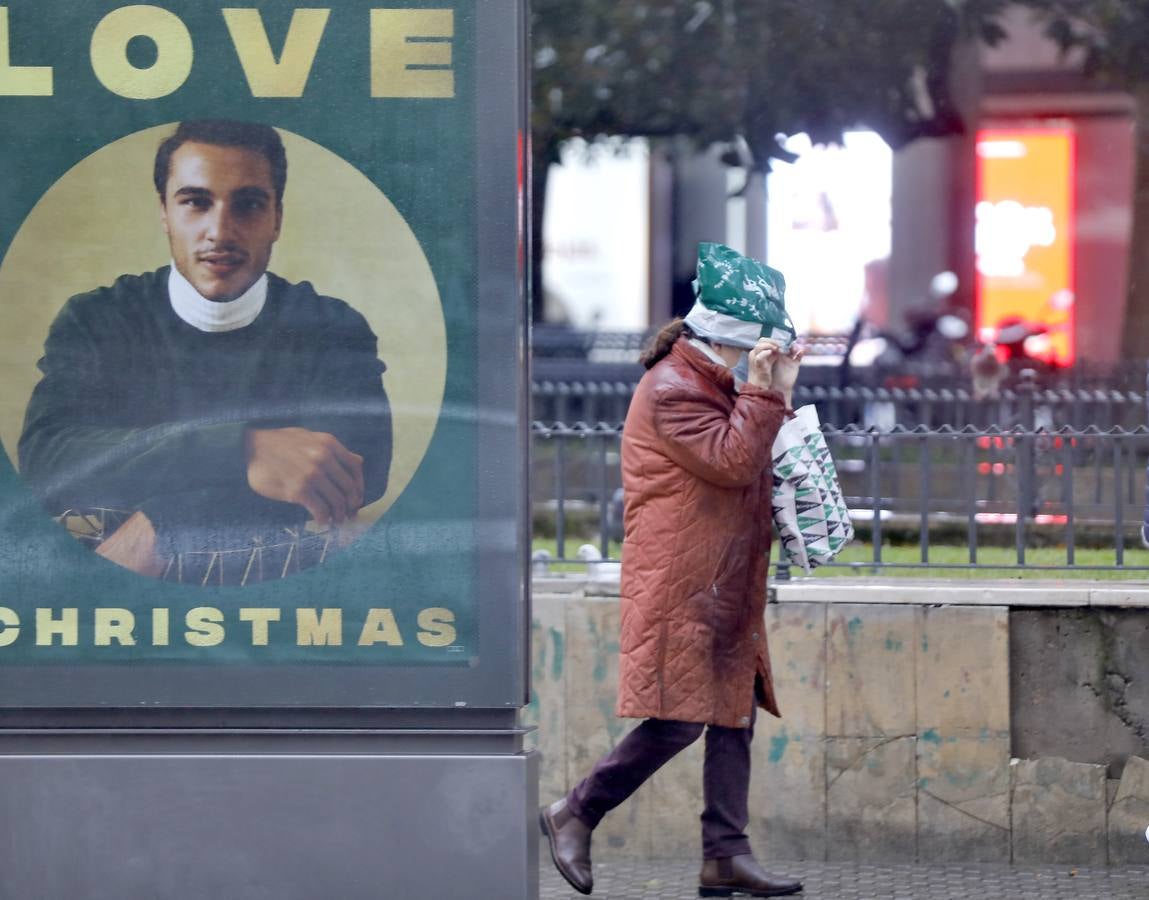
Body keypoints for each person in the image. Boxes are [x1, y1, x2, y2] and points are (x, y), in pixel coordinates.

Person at [17, 119, 392, 581]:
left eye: (248, 204)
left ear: (276, 218)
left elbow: (354, 476)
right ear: (164, 213)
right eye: (195, 202)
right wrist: (241, 450)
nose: (219, 231)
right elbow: (48, 461)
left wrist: (162, 524)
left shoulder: (332, 328)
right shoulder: (97, 317)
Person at [540, 267, 805, 897]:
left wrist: (778, 390)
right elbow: (735, 459)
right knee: (680, 717)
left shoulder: (708, 381)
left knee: (735, 710)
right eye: (754, 347)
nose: (754, 360)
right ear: (728, 339)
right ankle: (576, 811)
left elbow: (750, 451)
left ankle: (725, 855)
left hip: (721, 577)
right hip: (683, 579)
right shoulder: (673, 389)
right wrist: (766, 392)